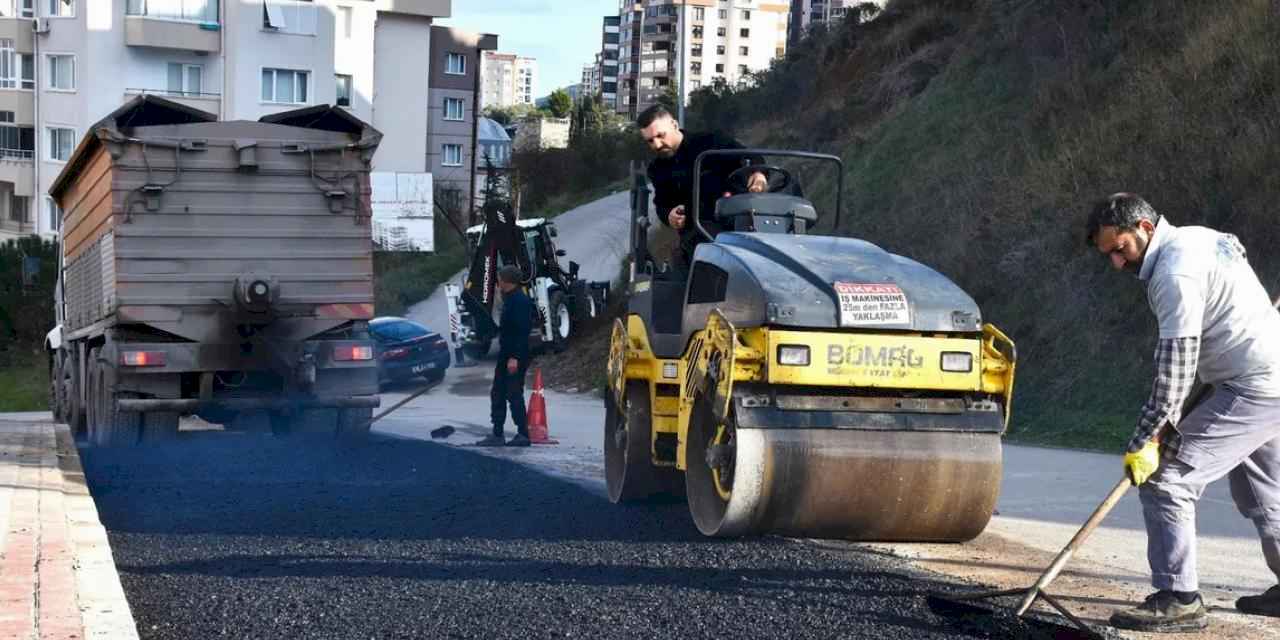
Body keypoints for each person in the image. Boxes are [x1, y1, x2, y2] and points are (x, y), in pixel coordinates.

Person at [1085, 193, 1280, 632]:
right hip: (1266, 374)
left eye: (1121, 249)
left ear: (1146, 229)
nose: (1117, 263)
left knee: (1166, 479)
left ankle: (1179, 598)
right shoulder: (1203, 238)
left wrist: (1147, 438)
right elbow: (1238, 255)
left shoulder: (1172, 272)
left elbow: (1176, 366)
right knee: (1263, 492)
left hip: (1252, 386)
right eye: (1109, 255)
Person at [637, 105, 767, 278]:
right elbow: (662, 204)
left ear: (674, 125)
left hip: (739, 224)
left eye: (661, 135)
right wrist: (670, 215)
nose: (657, 144)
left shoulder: (711, 142)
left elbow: (749, 156)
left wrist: (757, 174)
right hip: (698, 238)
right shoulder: (657, 169)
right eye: (650, 141)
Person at [476, 265, 534, 447]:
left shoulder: (520, 302)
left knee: (513, 393)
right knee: (498, 393)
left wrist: (515, 357)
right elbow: (507, 329)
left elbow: (522, 332)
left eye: (499, 279)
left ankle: (523, 434)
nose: (497, 282)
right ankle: (497, 433)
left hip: (515, 356)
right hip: (506, 355)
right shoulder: (510, 299)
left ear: (507, 281)